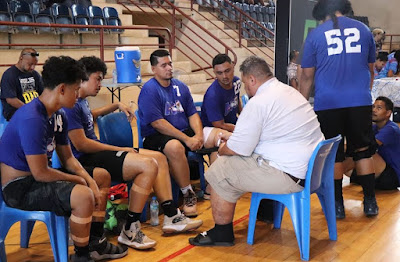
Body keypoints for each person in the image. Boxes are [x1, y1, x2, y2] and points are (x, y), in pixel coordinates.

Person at [64, 56, 202, 250]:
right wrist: (119, 149)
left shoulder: (82, 102)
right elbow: (82, 145)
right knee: (147, 165)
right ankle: (130, 228)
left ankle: (171, 216)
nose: (100, 84)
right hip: (86, 160)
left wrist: (115, 105)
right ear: (82, 78)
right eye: (97, 79)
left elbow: (88, 117)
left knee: (160, 158)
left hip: (97, 154)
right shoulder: (70, 105)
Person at [0, 56, 127, 262]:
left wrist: (90, 179)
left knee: (101, 176)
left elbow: (68, 159)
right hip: (19, 187)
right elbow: (40, 173)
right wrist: (80, 181)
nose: (78, 95)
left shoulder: (59, 115)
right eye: (76, 89)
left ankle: (96, 242)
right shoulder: (32, 117)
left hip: (39, 178)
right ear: (61, 89)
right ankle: (81, 255)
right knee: (82, 195)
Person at [189, 56, 324, 247]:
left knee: (220, 169)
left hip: (290, 176)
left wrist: (224, 147)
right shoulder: (289, 91)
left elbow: (238, 149)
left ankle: (222, 233)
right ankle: (266, 213)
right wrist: (237, 140)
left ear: (252, 79)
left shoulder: (259, 102)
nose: (246, 89)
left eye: (246, 84)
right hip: (312, 172)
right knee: (252, 159)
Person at [299, 0, 378, 219]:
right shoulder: (364, 30)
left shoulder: (315, 35)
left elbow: (306, 76)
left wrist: (301, 105)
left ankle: (337, 206)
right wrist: (363, 93)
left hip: (328, 103)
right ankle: (370, 202)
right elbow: (370, 69)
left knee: (334, 155)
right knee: (363, 151)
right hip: (359, 101)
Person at [138, 49, 203, 217]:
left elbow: (192, 114)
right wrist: (187, 140)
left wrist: (199, 135)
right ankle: (188, 194)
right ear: (153, 69)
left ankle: (214, 190)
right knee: (175, 147)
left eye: (170, 64)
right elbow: (159, 124)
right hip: (156, 136)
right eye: (163, 65)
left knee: (216, 137)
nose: (169, 68)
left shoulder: (180, 86)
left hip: (183, 132)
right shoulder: (149, 90)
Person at [344, 97, 400, 190]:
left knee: (365, 151)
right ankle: (335, 174)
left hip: (392, 177)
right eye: (373, 107)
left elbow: (367, 147)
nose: (374, 110)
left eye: (379, 108)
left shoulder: (391, 129)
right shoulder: (374, 127)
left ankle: (332, 176)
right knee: (345, 155)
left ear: (388, 113)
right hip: (379, 172)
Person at [201, 54, 241, 163]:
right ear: (214, 73)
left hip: (230, 126)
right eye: (219, 73)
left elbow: (237, 102)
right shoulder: (212, 95)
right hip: (210, 129)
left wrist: (243, 120)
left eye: (227, 71)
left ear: (233, 67)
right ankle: (215, 176)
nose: (224, 76)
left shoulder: (236, 82)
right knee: (230, 142)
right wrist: (240, 129)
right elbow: (219, 125)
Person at [0, 48, 44, 121]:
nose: (32, 67)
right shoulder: (9, 75)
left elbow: (43, 93)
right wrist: (30, 110)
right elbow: (11, 100)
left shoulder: (35, 74)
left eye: (35, 65)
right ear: (21, 58)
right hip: (16, 113)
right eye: (30, 64)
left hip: (34, 111)